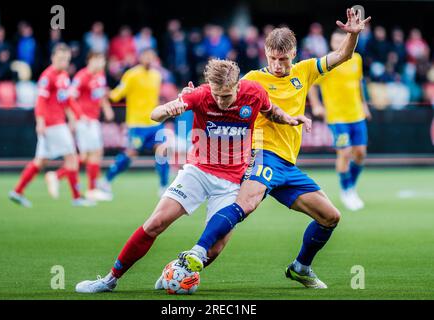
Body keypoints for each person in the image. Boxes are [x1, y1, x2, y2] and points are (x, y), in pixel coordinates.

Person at [74, 59, 310, 293]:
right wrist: (169, 109)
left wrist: (288, 118)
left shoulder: (254, 92)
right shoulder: (200, 95)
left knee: (215, 248)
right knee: (156, 223)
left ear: (238, 85)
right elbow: (155, 114)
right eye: (216, 95)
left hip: (231, 182)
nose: (220, 101)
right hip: (198, 171)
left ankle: (177, 271)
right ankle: (109, 279)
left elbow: (271, 111)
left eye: (226, 96)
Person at [177, 8, 371, 289]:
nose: (278, 65)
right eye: (272, 58)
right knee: (244, 207)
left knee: (330, 217)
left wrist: (351, 36)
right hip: (261, 153)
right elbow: (223, 90)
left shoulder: (305, 71)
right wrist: (191, 95)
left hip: (287, 166)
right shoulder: (253, 79)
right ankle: (193, 254)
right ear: (265, 53)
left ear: (293, 54)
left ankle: (301, 267)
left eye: (283, 59)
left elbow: (342, 56)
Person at [8, 43, 94, 207]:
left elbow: (67, 100)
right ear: (53, 57)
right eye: (61, 58)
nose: (64, 62)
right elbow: (40, 101)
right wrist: (40, 122)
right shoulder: (47, 76)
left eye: (67, 59)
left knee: (40, 161)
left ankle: (17, 191)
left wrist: (76, 117)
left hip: (56, 123)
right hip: (53, 124)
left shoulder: (63, 76)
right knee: (72, 158)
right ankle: (77, 197)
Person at [308, 29, 371, 211]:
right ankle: (346, 191)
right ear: (331, 43)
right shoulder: (327, 63)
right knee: (344, 153)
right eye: (335, 41)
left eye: (341, 41)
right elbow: (311, 84)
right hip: (337, 117)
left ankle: (351, 185)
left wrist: (364, 105)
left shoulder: (356, 59)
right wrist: (317, 105)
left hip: (357, 115)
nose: (338, 44)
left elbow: (359, 83)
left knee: (360, 154)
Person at [98, 48, 170, 197]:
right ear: (140, 58)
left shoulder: (157, 76)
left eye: (151, 56)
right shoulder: (131, 75)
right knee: (130, 154)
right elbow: (117, 94)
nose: (149, 59)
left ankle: (164, 187)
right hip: (137, 124)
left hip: (155, 124)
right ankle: (105, 181)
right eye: (146, 56)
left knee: (162, 152)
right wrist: (107, 94)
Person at [45, 52, 115, 202]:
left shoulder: (100, 75)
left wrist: (107, 108)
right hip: (84, 120)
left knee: (87, 155)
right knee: (93, 153)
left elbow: (100, 95)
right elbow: (70, 97)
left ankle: (57, 176)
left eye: (103, 61)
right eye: (99, 60)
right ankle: (91, 189)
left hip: (93, 119)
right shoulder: (81, 77)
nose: (102, 64)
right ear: (91, 60)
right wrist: (74, 117)